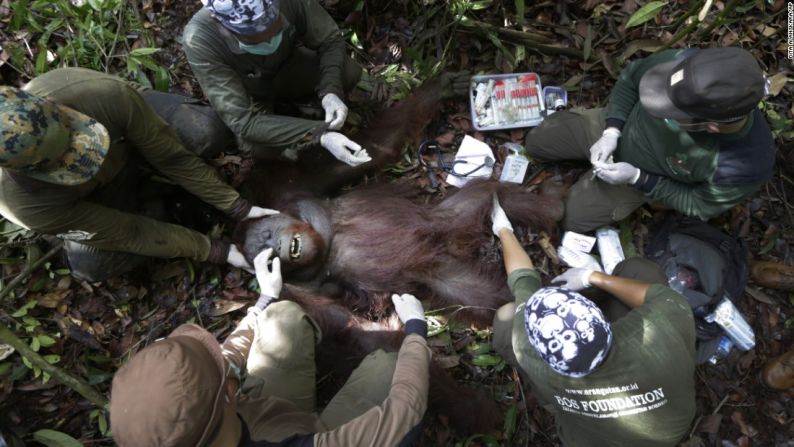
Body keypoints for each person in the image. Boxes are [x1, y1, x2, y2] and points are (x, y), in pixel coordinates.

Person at [109, 247, 431, 446]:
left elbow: (228, 357)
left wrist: (265, 297)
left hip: (257, 420)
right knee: (390, 366)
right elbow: (404, 415)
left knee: (282, 317)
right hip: (305, 435)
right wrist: (415, 330)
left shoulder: (173, 431)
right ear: (230, 391)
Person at [0, 67, 276, 281]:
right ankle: (165, 206)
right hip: (98, 197)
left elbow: (171, 156)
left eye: (75, 141)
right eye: (63, 162)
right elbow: (126, 232)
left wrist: (237, 206)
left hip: (129, 135)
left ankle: (164, 192)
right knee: (92, 264)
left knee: (205, 131)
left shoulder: (99, 95)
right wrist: (216, 251)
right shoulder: (23, 203)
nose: (83, 158)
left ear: (54, 106)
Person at [489, 196, 697, 446]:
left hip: (589, 437)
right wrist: (593, 278)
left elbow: (523, 280)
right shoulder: (664, 322)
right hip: (673, 427)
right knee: (642, 273)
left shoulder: (535, 361)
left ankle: (549, 403)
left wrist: (502, 229)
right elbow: (659, 295)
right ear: (600, 319)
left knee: (504, 323)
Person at [524, 47, 775, 232]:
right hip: (613, 128)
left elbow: (698, 204)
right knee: (534, 143)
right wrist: (612, 130)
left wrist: (639, 178)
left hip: (639, 178)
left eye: (671, 113)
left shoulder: (745, 164)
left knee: (568, 219)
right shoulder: (684, 66)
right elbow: (630, 80)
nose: (662, 113)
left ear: (710, 126)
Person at [183, 0, 371, 166]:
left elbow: (329, 40)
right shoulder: (200, 39)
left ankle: (307, 104)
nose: (267, 40)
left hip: (289, 66)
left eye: (274, 28)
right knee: (258, 149)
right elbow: (243, 121)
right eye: (254, 38)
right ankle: (296, 126)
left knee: (348, 72)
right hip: (250, 95)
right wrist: (318, 134)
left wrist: (330, 90)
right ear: (221, 23)